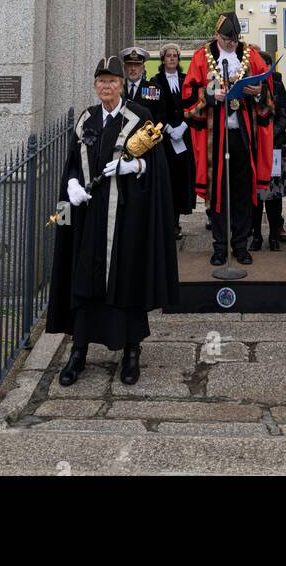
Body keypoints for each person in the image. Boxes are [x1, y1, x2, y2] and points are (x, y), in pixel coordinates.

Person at [46, 55, 178, 387]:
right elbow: (74, 162)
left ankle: (131, 351)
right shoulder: (86, 119)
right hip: (89, 217)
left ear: (122, 85)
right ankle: (79, 351)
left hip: (128, 216)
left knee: (127, 280)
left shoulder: (140, 117)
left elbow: (158, 166)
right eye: (102, 81)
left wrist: (136, 167)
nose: (107, 86)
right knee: (85, 279)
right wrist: (72, 185)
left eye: (113, 81)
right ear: (95, 85)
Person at [182, 11, 273, 266]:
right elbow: (188, 95)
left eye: (234, 39)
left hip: (243, 135)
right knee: (218, 192)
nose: (231, 44)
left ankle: (241, 245)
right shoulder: (202, 56)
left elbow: (268, 91)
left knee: (243, 191)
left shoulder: (251, 54)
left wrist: (258, 92)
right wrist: (211, 96)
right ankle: (220, 246)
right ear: (216, 35)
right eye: (226, 39)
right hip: (215, 136)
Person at [148, 43, 195, 238]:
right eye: (168, 55)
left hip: (183, 137)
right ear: (162, 58)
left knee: (181, 180)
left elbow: (194, 104)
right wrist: (167, 128)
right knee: (166, 180)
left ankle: (176, 222)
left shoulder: (186, 80)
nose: (172, 58)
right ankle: (165, 222)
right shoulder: (154, 81)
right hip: (164, 139)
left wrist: (184, 126)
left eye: (175, 55)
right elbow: (152, 110)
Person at [251, 52, 286, 251]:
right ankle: (256, 236)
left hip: (275, 147)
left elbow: (283, 117)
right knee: (256, 195)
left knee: (274, 195)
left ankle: (274, 236)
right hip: (254, 148)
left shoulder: (277, 86)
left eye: (266, 64)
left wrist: (268, 138)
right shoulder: (248, 87)